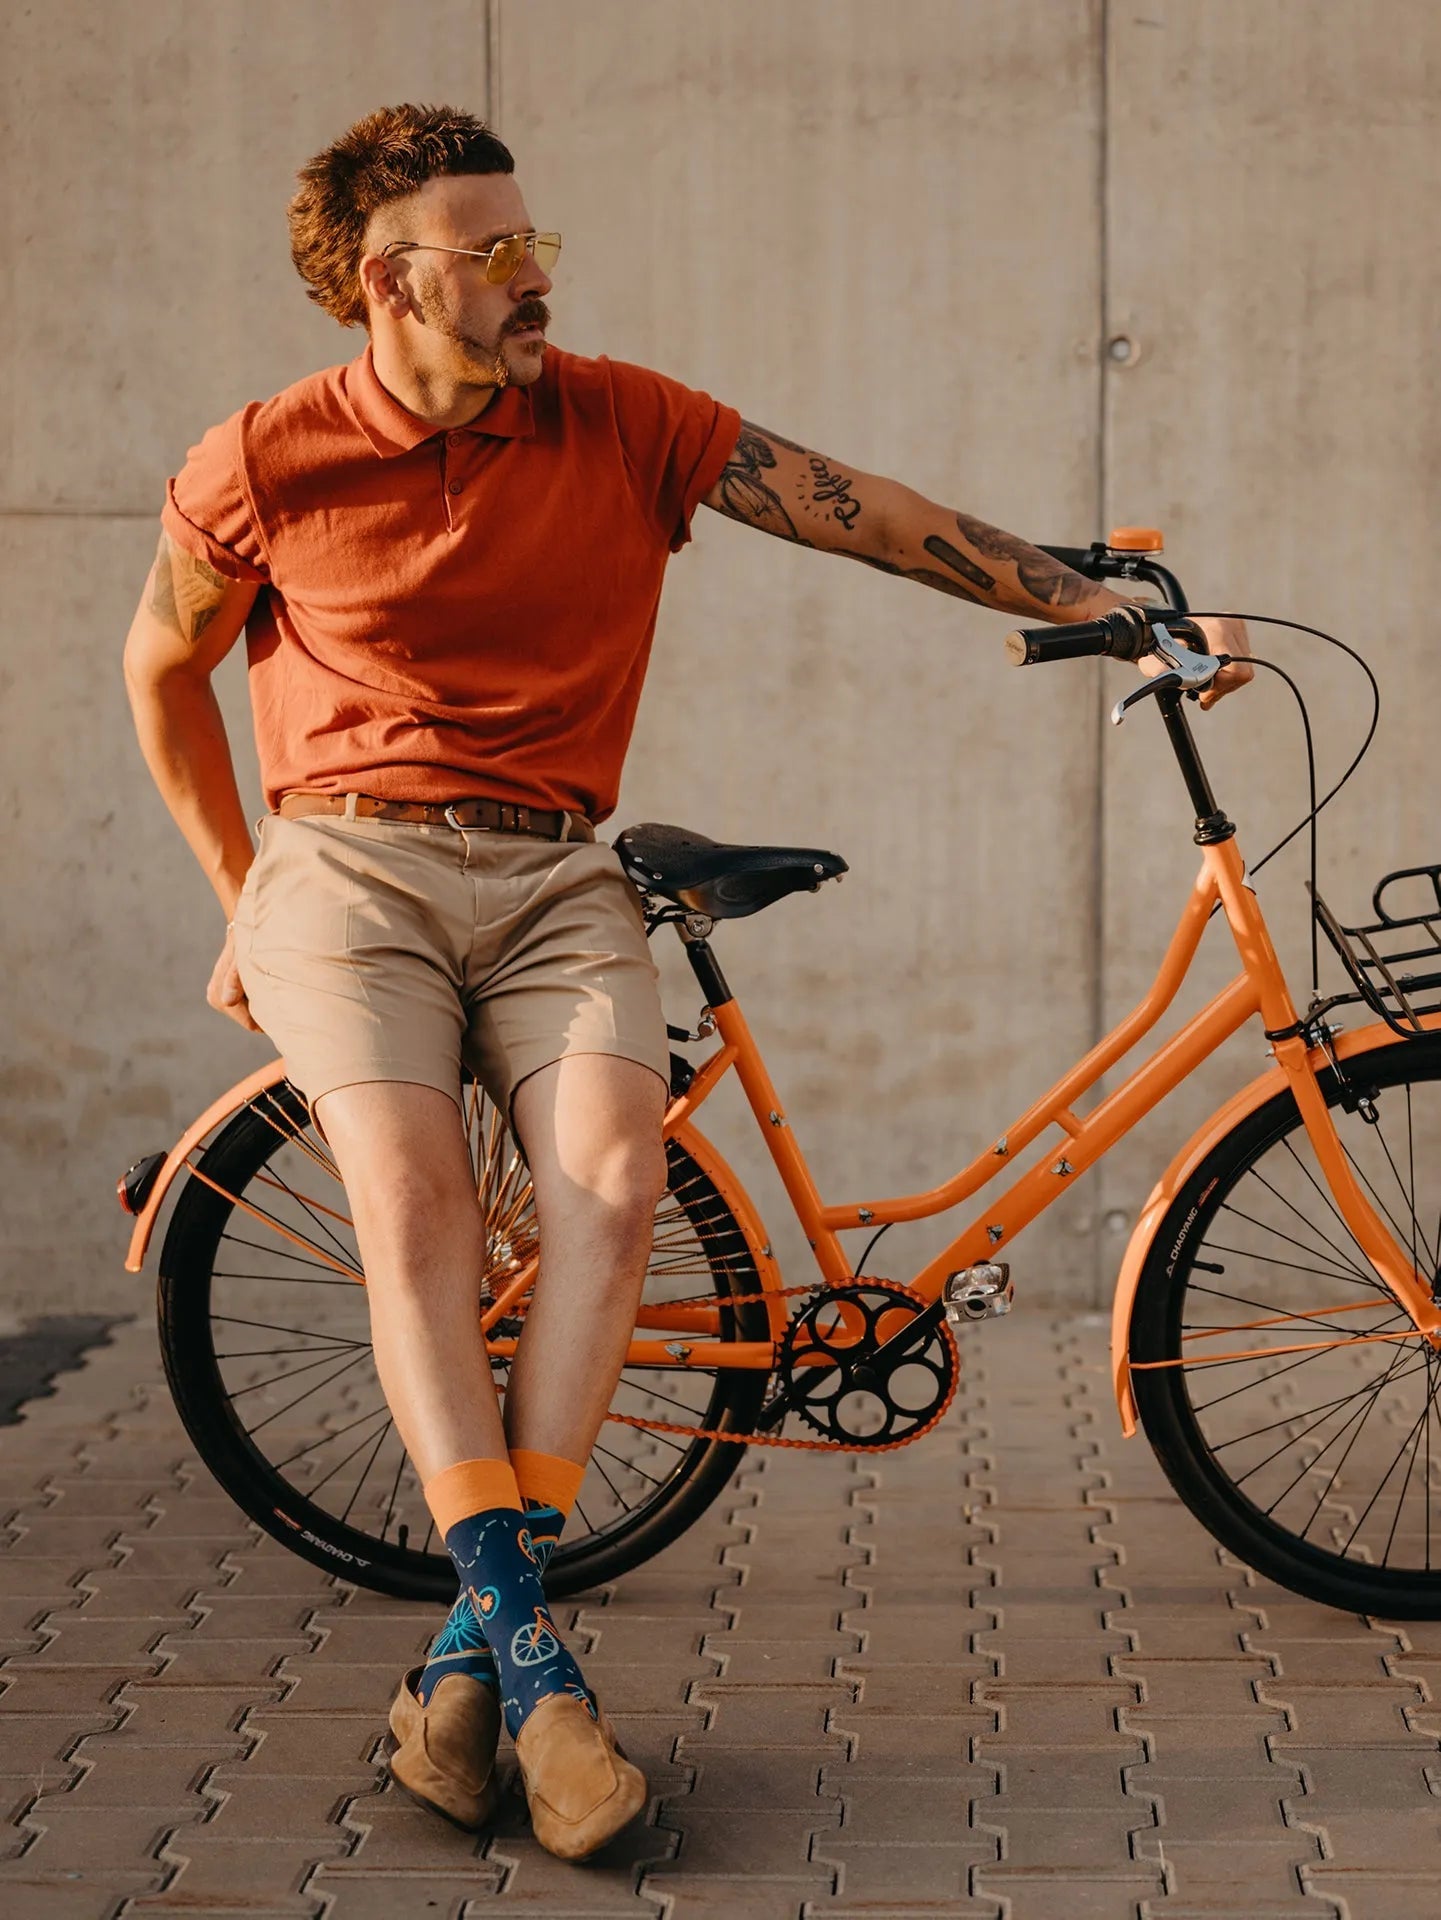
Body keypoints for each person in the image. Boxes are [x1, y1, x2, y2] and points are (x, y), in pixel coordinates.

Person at [123, 102, 1251, 1862]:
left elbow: (858, 511)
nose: (531, 274)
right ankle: (549, 1684)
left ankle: (470, 1667)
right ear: (383, 279)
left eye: (533, 239)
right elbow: (160, 667)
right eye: (489, 250)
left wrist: (1095, 600)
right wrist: (238, 891)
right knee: (418, 1215)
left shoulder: (625, 420)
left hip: (561, 866)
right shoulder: (264, 459)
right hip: (348, 865)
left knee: (617, 1183)